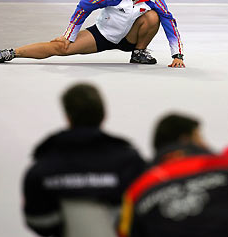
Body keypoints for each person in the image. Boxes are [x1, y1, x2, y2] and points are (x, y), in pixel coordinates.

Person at [117, 113, 228, 237]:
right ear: (185, 140)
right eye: (200, 137)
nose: (205, 143)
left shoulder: (137, 190)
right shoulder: (224, 167)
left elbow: (123, 231)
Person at [0, 0, 185, 67]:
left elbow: (170, 22)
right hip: (102, 35)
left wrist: (177, 55)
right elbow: (84, 7)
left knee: (154, 17)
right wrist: (70, 35)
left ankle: (138, 53)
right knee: (60, 47)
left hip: (130, 38)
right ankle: (12, 53)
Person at [22, 83, 146, 237]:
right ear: (104, 114)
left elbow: (37, 221)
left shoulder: (42, 168)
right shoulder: (130, 162)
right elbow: (146, 210)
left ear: (67, 117)